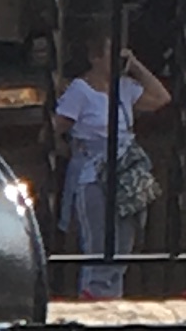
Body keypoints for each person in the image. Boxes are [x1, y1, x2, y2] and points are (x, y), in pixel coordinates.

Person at [49, 24, 165, 296]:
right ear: (95, 57)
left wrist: (135, 65)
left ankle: (112, 301)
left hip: (125, 174)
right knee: (99, 247)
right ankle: (93, 299)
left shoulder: (124, 88)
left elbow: (161, 98)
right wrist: (71, 148)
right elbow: (55, 127)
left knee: (122, 248)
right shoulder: (80, 90)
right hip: (94, 174)